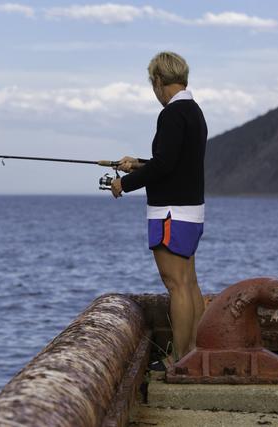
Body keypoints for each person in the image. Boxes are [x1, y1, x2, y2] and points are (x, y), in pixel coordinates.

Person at [110, 52, 207, 367]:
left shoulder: (171, 114)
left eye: (153, 84)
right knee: (189, 283)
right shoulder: (194, 112)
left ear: (158, 81)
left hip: (170, 212)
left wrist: (125, 184)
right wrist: (137, 163)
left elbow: (165, 164)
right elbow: (174, 161)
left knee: (175, 285)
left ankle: (179, 361)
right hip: (190, 211)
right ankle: (194, 351)